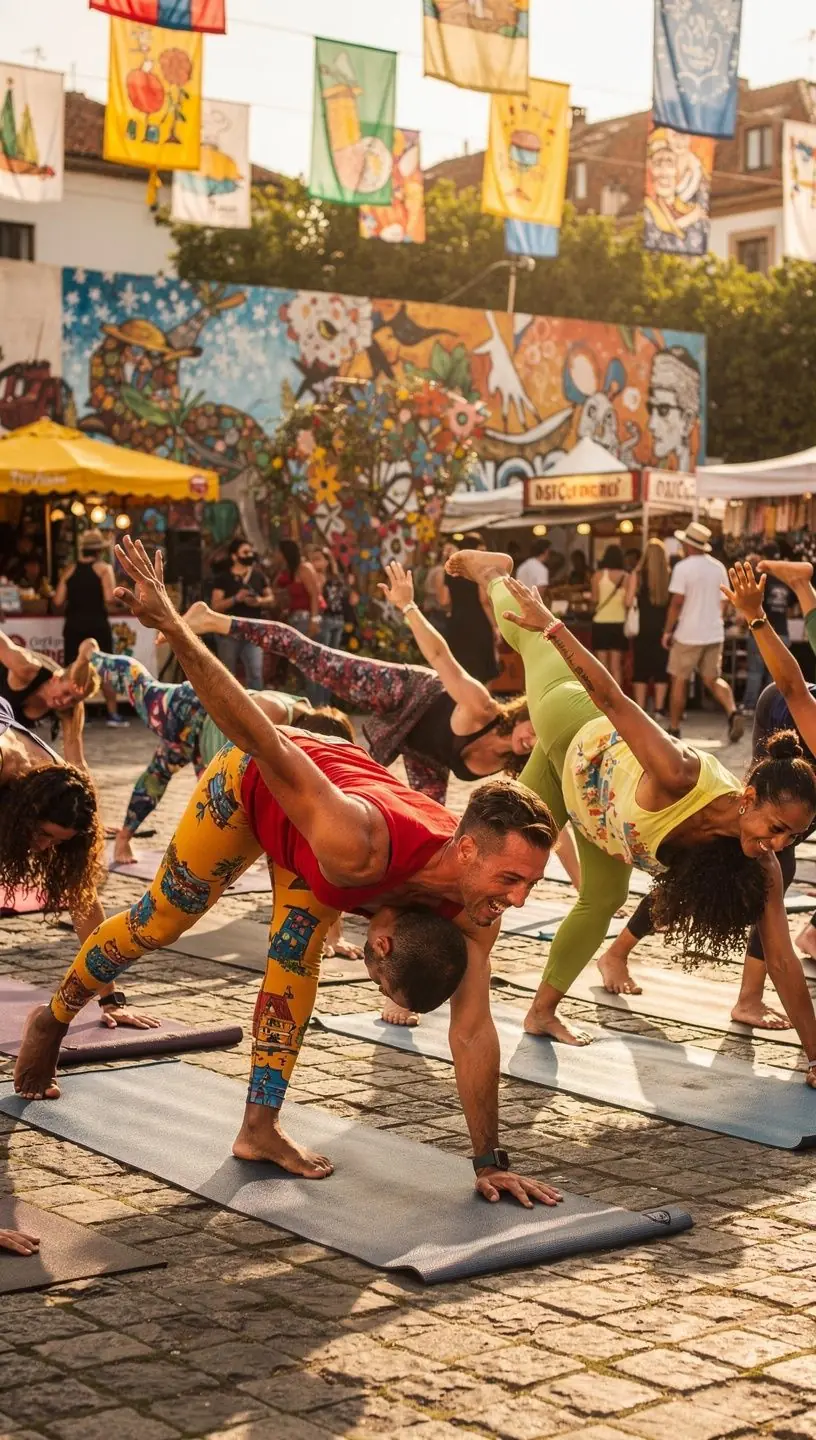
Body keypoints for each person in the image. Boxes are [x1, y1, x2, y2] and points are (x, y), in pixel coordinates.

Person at [14, 536, 563, 1210]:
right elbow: (259, 736)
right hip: (258, 783)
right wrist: (176, 628)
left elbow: (473, 1030)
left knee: (294, 959)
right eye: (511, 881)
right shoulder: (361, 843)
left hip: (319, 833)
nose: (517, 900)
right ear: (468, 852)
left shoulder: (477, 909)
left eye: (529, 885)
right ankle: (54, 1018)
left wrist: (489, 1161)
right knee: (162, 920)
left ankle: (258, 1129)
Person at [444, 547, 816, 1075]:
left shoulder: (762, 864)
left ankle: (541, 1012)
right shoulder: (680, 773)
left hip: (593, 809)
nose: (778, 844)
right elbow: (613, 699)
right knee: (529, 637)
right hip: (570, 721)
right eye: (777, 828)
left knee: (603, 897)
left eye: (793, 837)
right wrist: (553, 625)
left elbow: (781, 958)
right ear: (748, 797)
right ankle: (495, 573)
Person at [181, 560, 538, 806]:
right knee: (309, 655)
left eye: (539, 741)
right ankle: (212, 619)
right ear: (523, 713)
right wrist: (408, 606)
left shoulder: (516, 764)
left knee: (421, 817)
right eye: (533, 729)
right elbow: (440, 657)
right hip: (404, 693)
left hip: (423, 753)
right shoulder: (481, 706)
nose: (530, 740)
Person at [73, 640, 353, 867]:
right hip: (190, 710)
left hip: (204, 746)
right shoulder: (273, 711)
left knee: (159, 779)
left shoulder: (305, 721)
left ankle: (124, 837)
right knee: (142, 686)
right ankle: (91, 653)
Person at [662, 521, 743, 742]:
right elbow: (725, 601)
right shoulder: (718, 567)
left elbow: (676, 603)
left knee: (679, 680)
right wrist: (715, 618)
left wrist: (667, 631)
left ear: (688, 545)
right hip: (713, 632)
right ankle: (733, 712)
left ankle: (675, 728)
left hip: (688, 633)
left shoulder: (683, 568)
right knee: (713, 679)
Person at [53, 530, 125, 728]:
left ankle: (76, 714)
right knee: (105, 668)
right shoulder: (104, 569)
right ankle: (112, 713)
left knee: (73, 670)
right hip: (96, 625)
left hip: (73, 626)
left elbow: (57, 600)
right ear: (99, 551)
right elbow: (109, 598)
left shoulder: (69, 570)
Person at [0, 630, 99, 764]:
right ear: (55, 679)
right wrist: (84, 656)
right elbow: (90, 643)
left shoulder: (71, 709)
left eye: (74, 700)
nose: (65, 701)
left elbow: (76, 761)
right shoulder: (26, 668)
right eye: (66, 693)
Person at [210, 539, 274, 690]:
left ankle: (255, 702)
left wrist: (259, 601)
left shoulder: (258, 576)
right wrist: (235, 599)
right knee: (227, 674)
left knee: (256, 673)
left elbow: (271, 598)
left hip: (253, 631)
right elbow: (215, 606)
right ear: (234, 556)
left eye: (251, 552)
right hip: (229, 631)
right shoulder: (223, 578)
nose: (250, 555)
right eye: (245, 552)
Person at [742, 542, 793, 712]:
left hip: (760, 631)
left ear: (763, 557)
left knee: (755, 671)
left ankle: (750, 706)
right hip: (782, 632)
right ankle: (772, 709)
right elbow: (791, 606)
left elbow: (751, 603)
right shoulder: (785, 580)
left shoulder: (760, 578)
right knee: (776, 675)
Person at [444, 533, 500, 684]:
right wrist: (495, 626)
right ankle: (484, 699)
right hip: (478, 622)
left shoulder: (450, 570)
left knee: (462, 669)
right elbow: (484, 600)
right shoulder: (477, 570)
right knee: (482, 671)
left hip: (457, 623)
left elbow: (445, 599)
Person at [627, 538, 670, 718]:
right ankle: (659, 709)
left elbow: (628, 601)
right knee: (661, 669)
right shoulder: (668, 575)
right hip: (662, 628)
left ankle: (641, 709)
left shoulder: (637, 575)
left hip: (642, 628)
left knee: (641, 669)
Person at [303, 546, 350, 706]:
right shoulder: (314, 577)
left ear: (327, 561)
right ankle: (318, 703)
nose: (314, 562)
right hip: (325, 620)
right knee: (321, 662)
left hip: (338, 620)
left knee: (331, 663)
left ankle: (326, 702)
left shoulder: (336, 578)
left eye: (318, 559)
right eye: (312, 559)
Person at [590, 544, 628, 685]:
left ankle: (603, 695)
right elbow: (628, 602)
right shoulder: (627, 577)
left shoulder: (598, 576)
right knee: (616, 666)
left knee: (602, 666)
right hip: (619, 622)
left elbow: (594, 599)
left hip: (601, 622)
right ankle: (617, 696)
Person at [273, 539, 322, 641]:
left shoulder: (303, 569)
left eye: (278, 552)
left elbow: (314, 594)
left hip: (305, 619)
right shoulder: (288, 571)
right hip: (293, 618)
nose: (275, 554)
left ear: (284, 553)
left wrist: (314, 620)